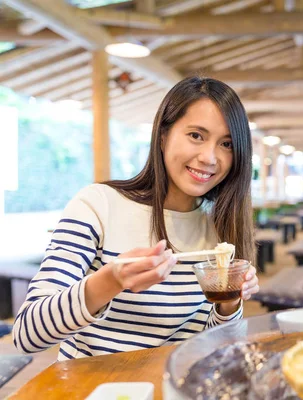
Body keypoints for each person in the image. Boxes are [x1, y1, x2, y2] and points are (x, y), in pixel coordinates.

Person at [12, 76, 259, 360]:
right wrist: (110, 281)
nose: (209, 157)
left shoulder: (218, 228)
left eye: (226, 144)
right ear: (163, 136)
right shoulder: (98, 204)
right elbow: (27, 336)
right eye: (196, 136)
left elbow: (218, 350)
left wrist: (228, 302)